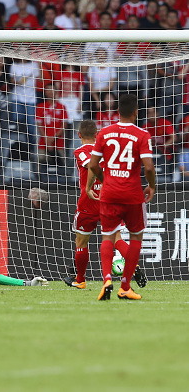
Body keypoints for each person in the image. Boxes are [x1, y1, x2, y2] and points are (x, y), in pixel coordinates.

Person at [86, 94, 155, 301]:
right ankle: (125, 286)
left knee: (108, 236)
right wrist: (151, 186)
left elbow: (93, 165)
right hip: (133, 195)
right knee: (135, 238)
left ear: (117, 111)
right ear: (136, 112)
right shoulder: (142, 134)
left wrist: (104, 179)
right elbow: (149, 167)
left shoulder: (104, 133)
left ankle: (107, 279)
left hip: (109, 193)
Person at [67, 120, 146, 289]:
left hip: (89, 200)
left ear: (78, 134)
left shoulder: (80, 151)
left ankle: (80, 280)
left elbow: (91, 166)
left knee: (81, 242)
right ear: (97, 134)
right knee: (116, 238)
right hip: (109, 199)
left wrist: (93, 185)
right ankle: (135, 267)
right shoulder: (107, 150)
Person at [35, 83, 68, 165]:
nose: (50, 92)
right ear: (45, 92)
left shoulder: (62, 107)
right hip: (43, 142)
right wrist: (46, 139)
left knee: (62, 164)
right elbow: (39, 126)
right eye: (48, 90)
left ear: (56, 91)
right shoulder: (40, 107)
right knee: (40, 162)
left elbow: (64, 125)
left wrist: (53, 138)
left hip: (59, 142)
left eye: (52, 89)